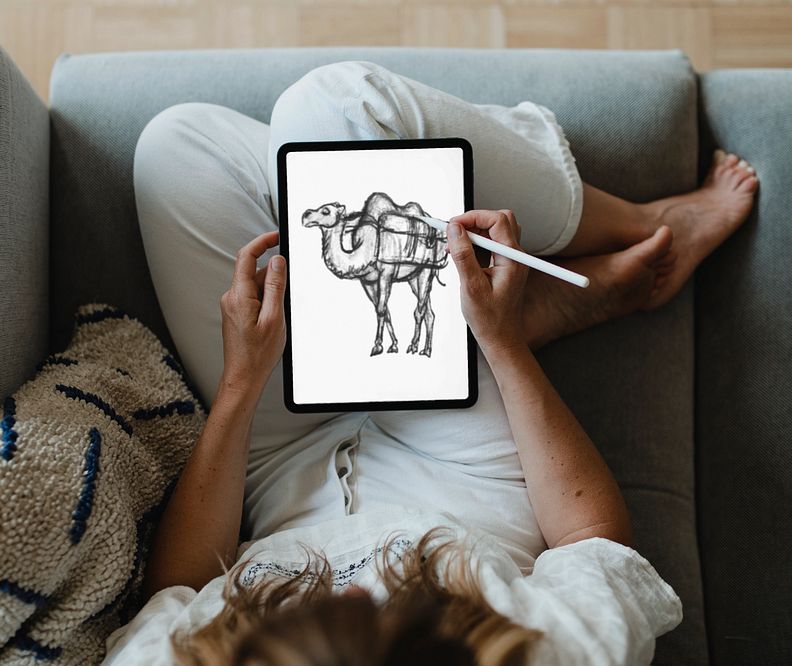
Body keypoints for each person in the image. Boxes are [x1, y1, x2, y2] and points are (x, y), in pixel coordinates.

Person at [101, 61, 758, 665]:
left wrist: (242, 383)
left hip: (278, 468)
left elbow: (177, 592)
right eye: (386, 614)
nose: (358, 591)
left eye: (317, 615)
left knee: (177, 145)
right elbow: (597, 540)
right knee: (336, 107)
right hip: (459, 477)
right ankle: (633, 230)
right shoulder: (549, 651)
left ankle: (505, 314)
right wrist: (503, 348)